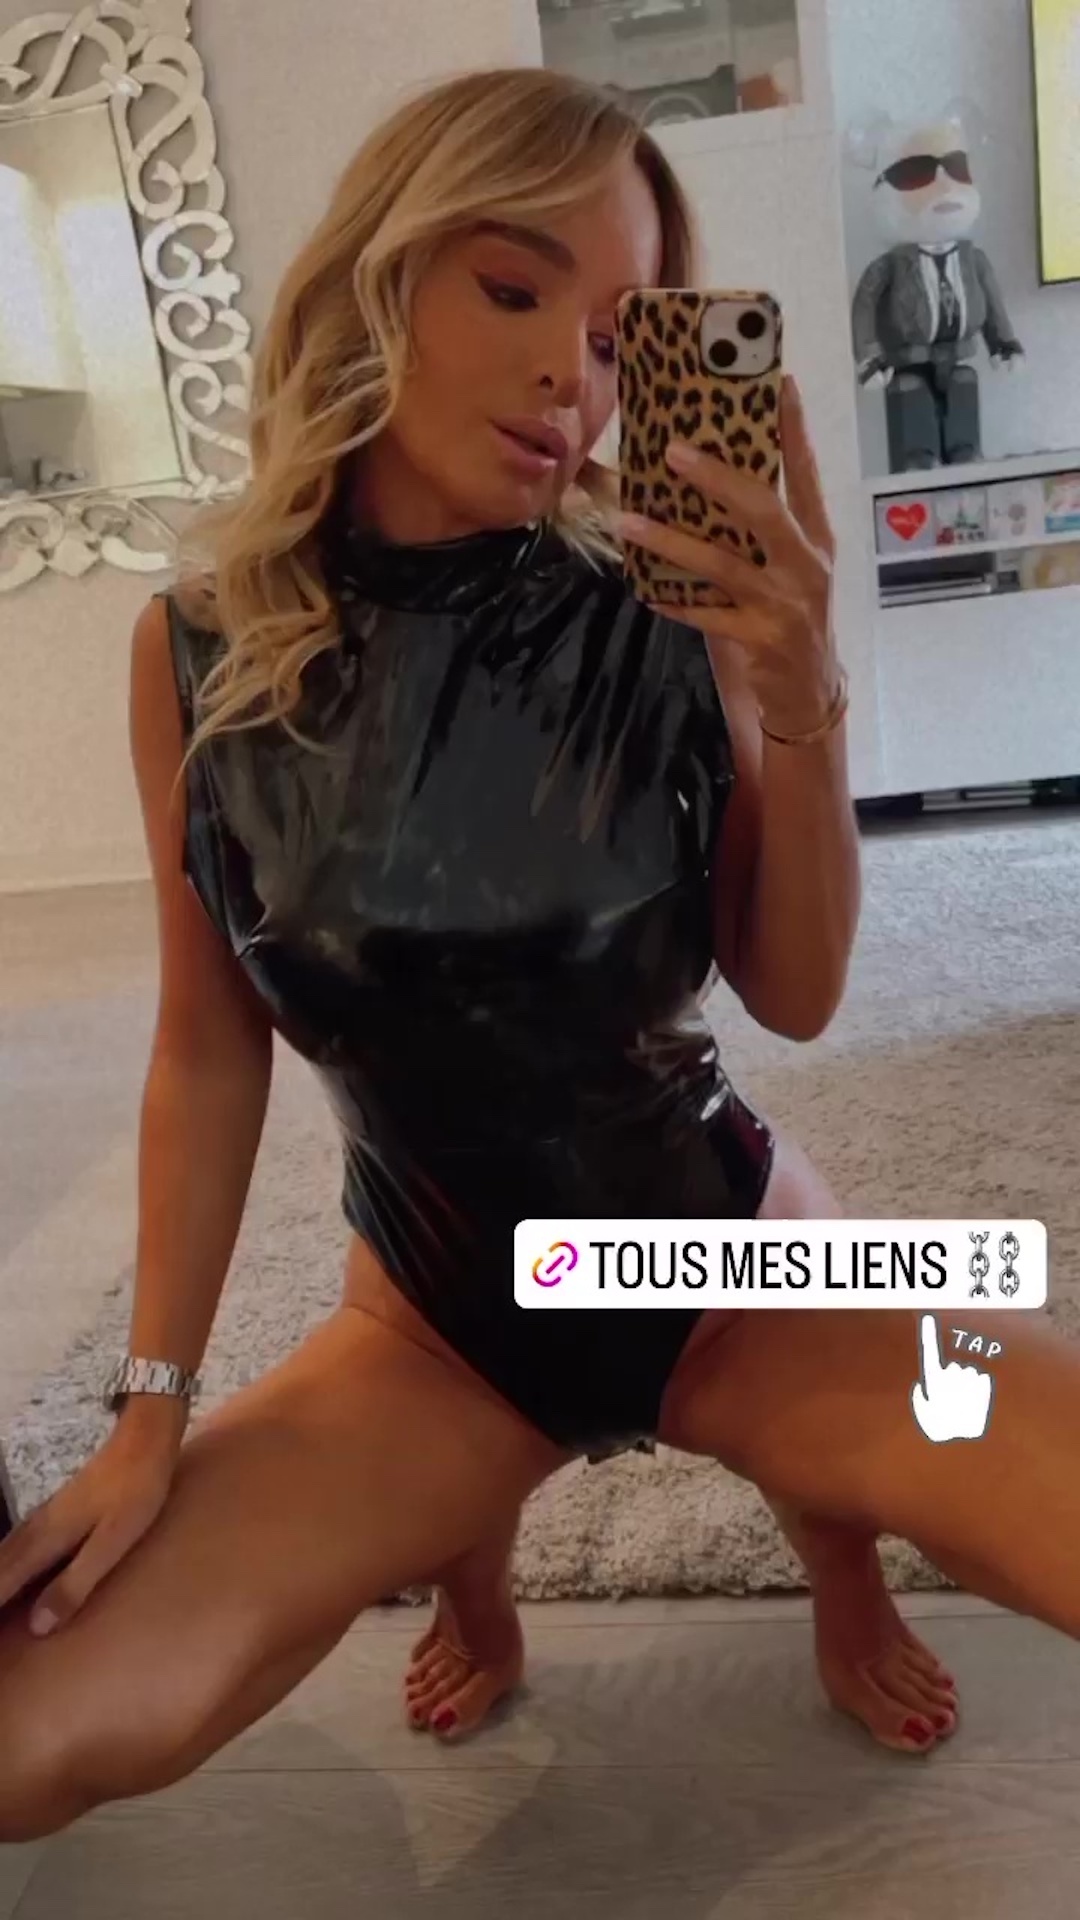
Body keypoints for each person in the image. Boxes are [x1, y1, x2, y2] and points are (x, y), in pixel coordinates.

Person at [0, 65, 1076, 1847]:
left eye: (613, 336)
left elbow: (798, 994)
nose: (572, 380)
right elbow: (204, 1047)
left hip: (718, 1257)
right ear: (382, 276)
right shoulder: (201, 652)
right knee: (36, 1731)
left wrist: (800, 690)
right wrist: (147, 1415)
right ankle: (472, 1575)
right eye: (513, 291)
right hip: (436, 1319)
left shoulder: (663, 605)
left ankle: (845, 1573)